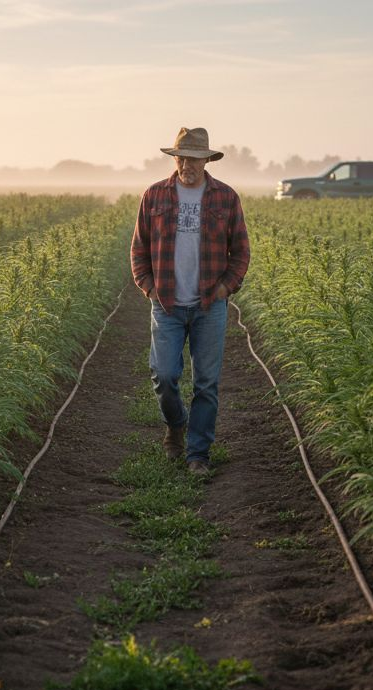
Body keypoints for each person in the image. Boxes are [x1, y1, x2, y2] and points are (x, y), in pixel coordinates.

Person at [130, 127, 250, 477]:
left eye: (196, 159)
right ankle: (176, 424)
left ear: (207, 161)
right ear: (176, 159)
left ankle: (198, 454)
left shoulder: (226, 198)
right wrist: (148, 287)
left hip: (209, 304)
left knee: (206, 383)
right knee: (164, 375)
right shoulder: (154, 196)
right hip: (166, 303)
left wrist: (226, 288)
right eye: (183, 158)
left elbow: (240, 251)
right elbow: (139, 248)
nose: (188, 165)